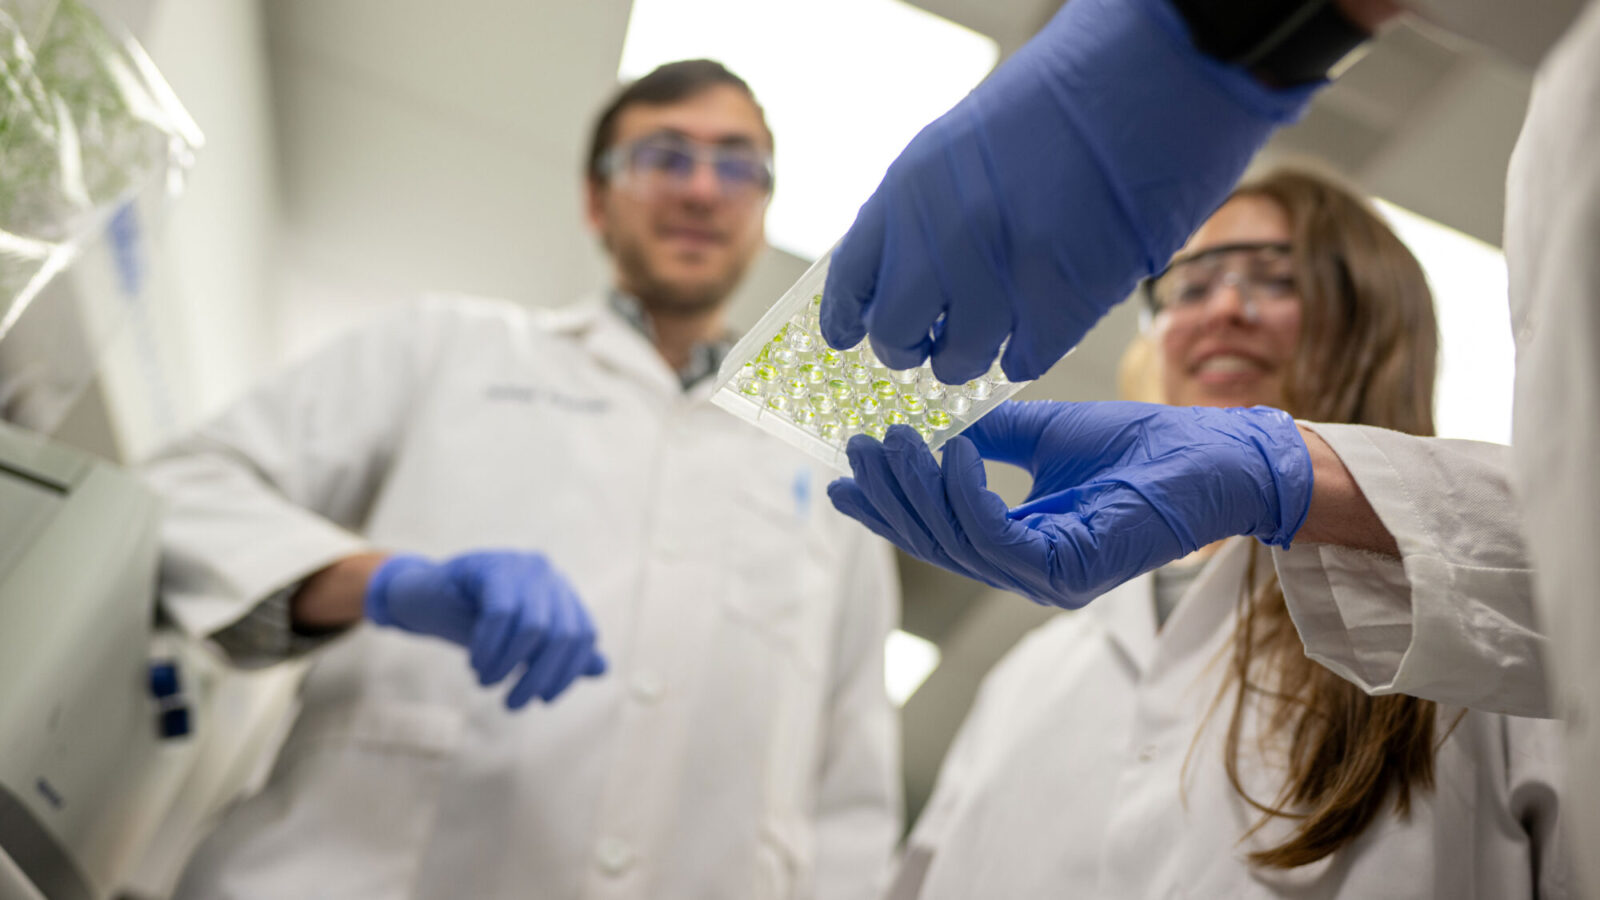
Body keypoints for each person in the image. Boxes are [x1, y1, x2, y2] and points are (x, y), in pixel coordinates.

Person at [818, 0, 1600, 891]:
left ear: (1380, 320)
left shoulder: (1495, 651)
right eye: (1188, 285)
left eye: (1274, 277)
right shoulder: (1030, 679)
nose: (1222, 308)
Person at [145, 59, 901, 899]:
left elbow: (851, 806)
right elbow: (179, 492)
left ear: (761, 212)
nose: (700, 190)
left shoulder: (830, 480)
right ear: (595, 200)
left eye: (736, 164)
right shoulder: (446, 347)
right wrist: (380, 583)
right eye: (663, 157)